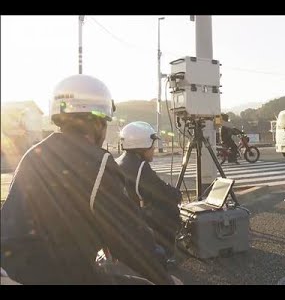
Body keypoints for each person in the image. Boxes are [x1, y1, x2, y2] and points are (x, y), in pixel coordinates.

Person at [0, 74, 173, 285]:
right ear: (98, 122)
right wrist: (165, 278)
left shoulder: (35, 153)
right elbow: (132, 240)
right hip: (52, 274)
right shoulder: (96, 162)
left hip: (13, 269)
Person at [115, 121, 182, 260]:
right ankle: (165, 255)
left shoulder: (119, 161)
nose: (154, 149)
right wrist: (176, 194)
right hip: (136, 219)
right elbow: (162, 192)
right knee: (170, 208)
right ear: (143, 145)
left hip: (122, 216)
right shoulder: (140, 167)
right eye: (153, 145)